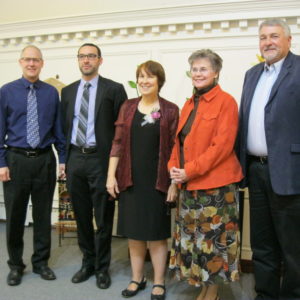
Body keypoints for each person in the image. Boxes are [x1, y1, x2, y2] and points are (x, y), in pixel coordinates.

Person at [167, 49, 243, 300]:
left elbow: (221, 147)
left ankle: (213, 292)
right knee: (196, 242)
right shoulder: (189, 103)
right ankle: (205, 288)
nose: (197, 74)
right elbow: (178, 143)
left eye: (203, 69)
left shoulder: (227, 102)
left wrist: (189, 171)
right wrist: (174, 170)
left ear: (216, 72)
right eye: (195, 69)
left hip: (216, 188)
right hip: (189, 186)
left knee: (214, 243)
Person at [236, 18, 300, 300]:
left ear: (289, 40)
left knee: (293, 246)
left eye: (274, 36)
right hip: (256, 170)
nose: (268, 42)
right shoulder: (252, 74)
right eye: (263, 37)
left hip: (290, 172)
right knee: (261, 243)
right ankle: (265, 295)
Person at [106, 60, 179, 300]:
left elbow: (177, 149)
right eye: (141, 77)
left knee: (157, 235)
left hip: (158, 181)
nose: (144, 81)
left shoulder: (170, 110)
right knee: (135, 234)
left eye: (150, 77)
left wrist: (173, 183)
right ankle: (137, 277)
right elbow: (117, 143)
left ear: (159, 81)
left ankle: (159, 281)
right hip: (130, 179)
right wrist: (110, 177)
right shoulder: (127, 107)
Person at [60, 43, 127, 289]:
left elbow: (122, 132)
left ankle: (102, 268)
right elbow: (63, 128)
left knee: (103, 217)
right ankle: (87, 263)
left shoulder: (114, 89)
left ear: (100, 60)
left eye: (91, 56)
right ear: (78, 60)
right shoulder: (67, 92)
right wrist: (64, 159)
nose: (86, 60)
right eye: (82, 56)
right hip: (76, 158)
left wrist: (117, 167)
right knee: (82, 217)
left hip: (101, 160)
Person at [0, 45, 66, 286]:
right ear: (20, 62)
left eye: (35, 60)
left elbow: (58, 128)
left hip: (44, 160)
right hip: (15, 159)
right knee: (15, 216)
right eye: (27, 60)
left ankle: (41, 263)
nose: (31, 64)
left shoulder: (51, 93)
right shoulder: (6, 91)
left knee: (42, 215)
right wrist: (1, 162)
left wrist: (63, 158)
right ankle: (16, 265)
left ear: (42, 63)